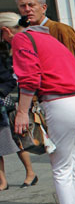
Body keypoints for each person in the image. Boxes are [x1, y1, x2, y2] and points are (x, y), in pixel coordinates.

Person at [1, 12, 75, 204]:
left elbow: (29, 79)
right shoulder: (46, 36)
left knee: (61, 168)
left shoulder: (22, 39)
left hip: (61, 103)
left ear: (6, 32)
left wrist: (22, 112)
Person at [16, 0, 75, 204]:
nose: (27, 10)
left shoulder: (58, 30)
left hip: (70, 97)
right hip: (55, 100)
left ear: (43, 7)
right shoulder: (30, 34)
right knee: (70, 160)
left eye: (31, 5)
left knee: (74, 161)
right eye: (22, 6)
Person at [0, 51, 37, 190]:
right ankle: (3, 181)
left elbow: (10, 81)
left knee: (17, 141)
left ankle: (30, 173)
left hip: (3, 109)